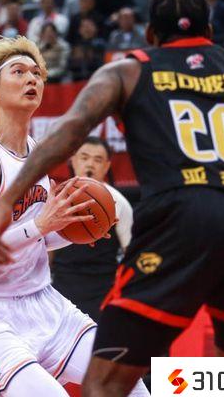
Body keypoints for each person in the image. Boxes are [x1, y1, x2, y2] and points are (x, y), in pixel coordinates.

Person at [0, 0, 224, 397]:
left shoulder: (129, 71)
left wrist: (10, 198)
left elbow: (70, 131)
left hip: (183, 214)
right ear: (210, 32)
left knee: (103, 384)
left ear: (151, 35)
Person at [0, 35, 150, 396]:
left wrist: (70, 228)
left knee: (129, 386)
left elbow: (38, 239)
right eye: (19, 72)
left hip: (45, 302)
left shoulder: (36, 151)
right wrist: (40, 225)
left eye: (37, 74)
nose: (31, 79)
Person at [51, 137, 133, 322]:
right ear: (72, 160)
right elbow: (46, 250)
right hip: (61, 290)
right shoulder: (57, 199)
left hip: (102, 292)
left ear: (107, 166)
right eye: (84, 157)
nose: (90, 164)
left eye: (98, 160)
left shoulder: (119, 203)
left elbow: (131, 254)